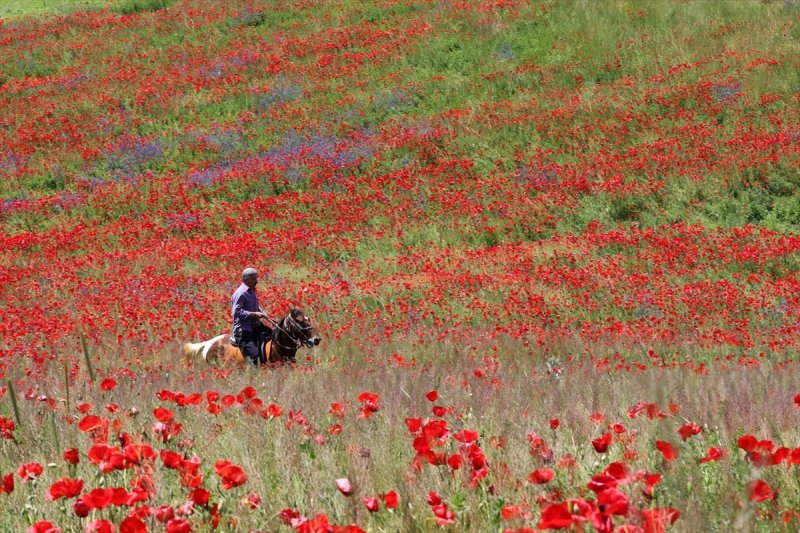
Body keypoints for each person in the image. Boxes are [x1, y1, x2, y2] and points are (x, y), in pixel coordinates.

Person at [231, 267, 273, 365]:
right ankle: (254, 374)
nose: (256, 281)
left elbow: (255, 307)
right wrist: (253, 314)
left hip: (255, 326)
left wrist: (263, 313)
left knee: (275, 334)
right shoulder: (241, 293)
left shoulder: (252, 291)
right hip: (244, 330)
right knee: (255, 355)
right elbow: (236, 312)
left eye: (256, 278)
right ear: (246, 279)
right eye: (254, 278)